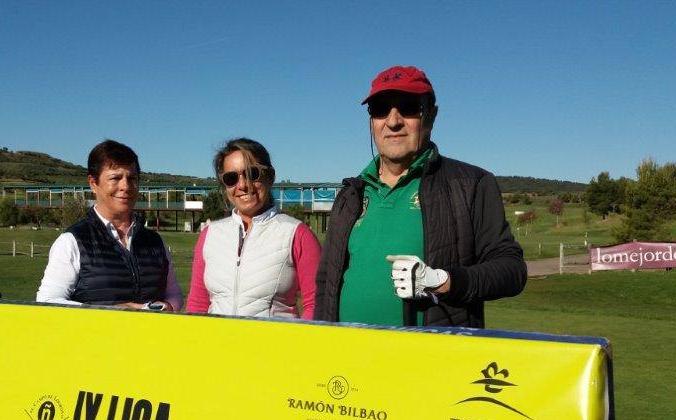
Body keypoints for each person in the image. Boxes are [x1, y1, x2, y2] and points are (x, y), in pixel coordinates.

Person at [314, 66, 526, 327]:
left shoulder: (470, 184)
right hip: (349, 359)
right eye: (380, 108)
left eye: (408, 106)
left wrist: (442, 281)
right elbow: (326, 282)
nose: (393, 121)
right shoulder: (350, 194)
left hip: (431, 359)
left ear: (432, 115)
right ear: (372, 121)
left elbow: (512, 271)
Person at [36, 140, 183, 310]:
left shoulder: (156, 242)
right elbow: (48, 302)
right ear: (93, 183)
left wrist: (168, 306)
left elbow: (174, 293)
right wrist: (111, 312)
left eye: (132, 178)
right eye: (115, 178)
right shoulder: (71, 242)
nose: (125, 186)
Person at [187, 138, 321, 318]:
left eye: (252, 173)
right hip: (216, 344)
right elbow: (198, 303)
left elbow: (317, 303)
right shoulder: (209, 235)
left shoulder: (297, 233)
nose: (242, 185)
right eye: (231, 178)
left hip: (275, 345)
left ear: (270, 176)